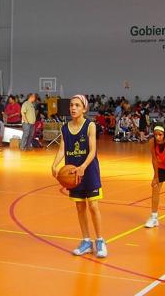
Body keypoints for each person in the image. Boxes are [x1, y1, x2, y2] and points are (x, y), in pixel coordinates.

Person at [51, 95, 107, 258]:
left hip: (89, 172)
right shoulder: (65, 128)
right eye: (71, 105)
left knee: (93, 206)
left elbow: (93, 150)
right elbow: (62, 149)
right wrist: (54, 164)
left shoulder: (90, 125)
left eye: (77, 105)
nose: (73, 108)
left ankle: (100, 241)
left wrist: (82, 167)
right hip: (73, 175)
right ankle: (86, 241)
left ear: (84, 108)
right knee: (80, 207)